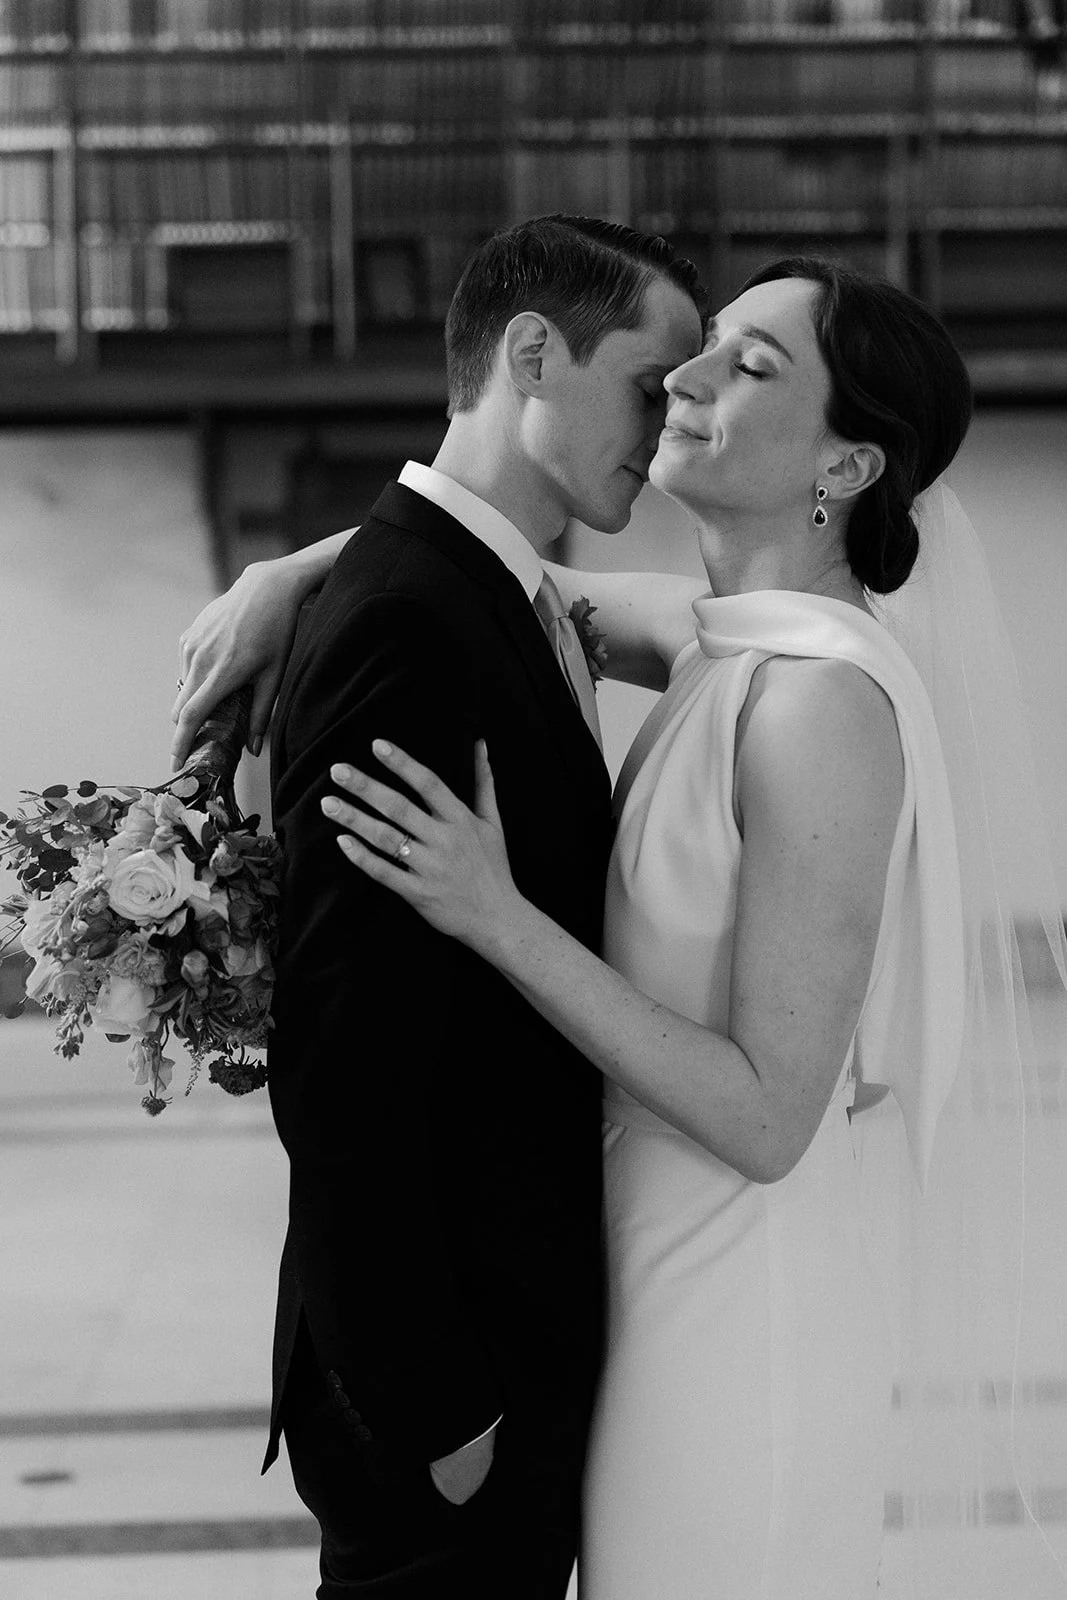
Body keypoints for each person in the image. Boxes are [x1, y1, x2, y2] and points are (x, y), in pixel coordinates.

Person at [175, 260, 1067, 1597]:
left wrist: (496, 916)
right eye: (697, 350)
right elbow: (481, 564)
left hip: (736, 1299)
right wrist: (281, 574)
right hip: (635, 1276)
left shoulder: (821, 704)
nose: (683, 383)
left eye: (746, 368)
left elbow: (770, 1118)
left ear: (845, 467)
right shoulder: (728, 643)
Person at [175, 214, 705, 1600]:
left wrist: (296, 565)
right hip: (445, 1364)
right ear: (533, 353)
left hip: (500, 1330)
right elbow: (342, 1054)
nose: (665, 427)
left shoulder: (477, 584)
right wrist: (440, 1404)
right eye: (648, 385)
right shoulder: (413, 613)